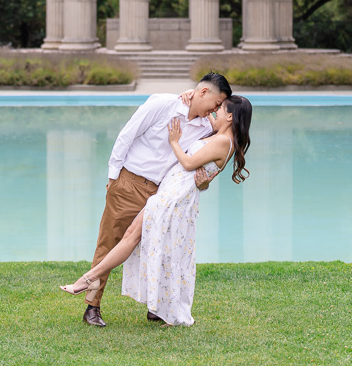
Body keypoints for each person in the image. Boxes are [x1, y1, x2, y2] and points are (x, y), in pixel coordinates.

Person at [60, 94, 252, 326]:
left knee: (142, 242)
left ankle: (90, 280)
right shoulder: (206, 128)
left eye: (220, 108)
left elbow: (191, 165)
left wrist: (174, 142)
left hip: (169, 196)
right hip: (144, 186)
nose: (214, 111)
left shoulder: (221, 139)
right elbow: (201, 166)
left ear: (230, 116)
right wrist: (189, 93)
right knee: (131, 242)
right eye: (215, 104)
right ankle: (98, 300)